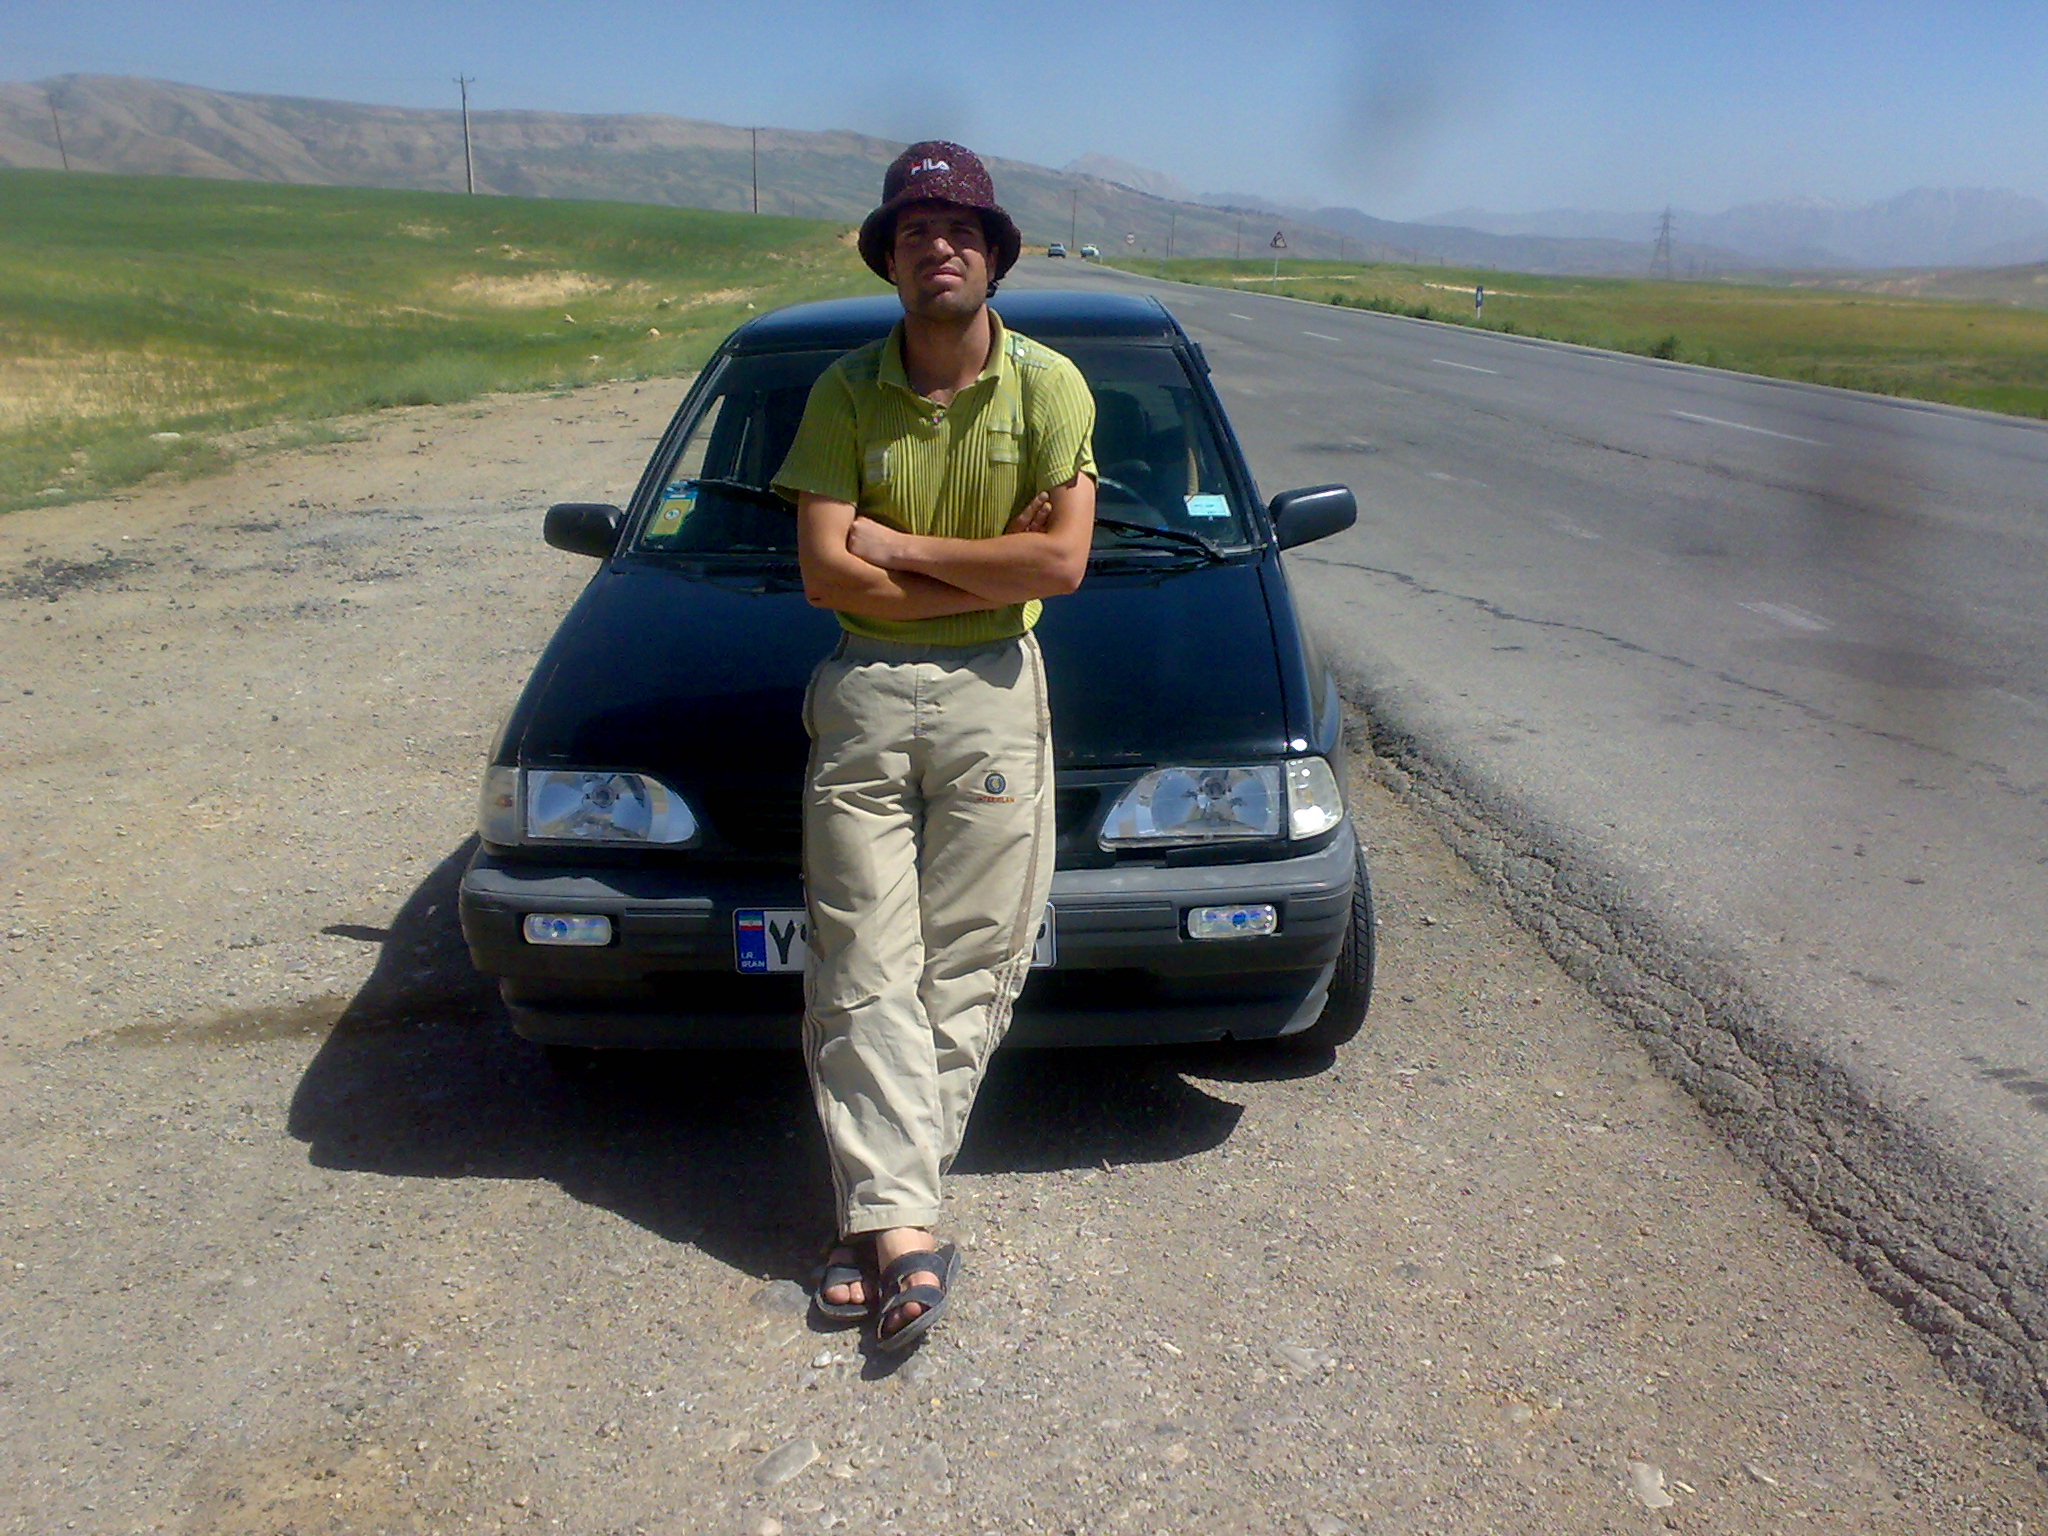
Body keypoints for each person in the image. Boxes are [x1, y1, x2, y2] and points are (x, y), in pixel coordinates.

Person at [771, 141, 1097, 1350]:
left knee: (973, 961)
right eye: (915, 232)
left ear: (994, 256)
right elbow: (822, 573)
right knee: (861, 963)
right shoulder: (843, 391)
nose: (938, 247)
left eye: (961, 230)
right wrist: (983, 564)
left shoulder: (1050, 387)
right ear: (890, 260)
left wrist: (900, 547)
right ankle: (904, 1230)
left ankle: (877, 1221)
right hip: (863, 690)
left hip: (994, 693)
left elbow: (1059, 565)